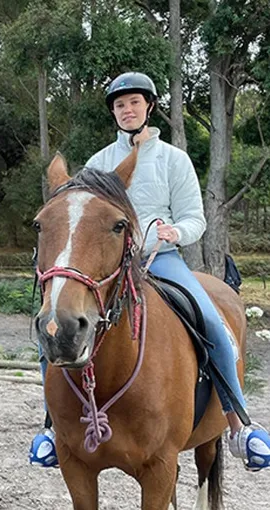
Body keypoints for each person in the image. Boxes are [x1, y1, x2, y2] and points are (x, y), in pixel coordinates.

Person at [29, 72, 270, 471]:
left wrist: (175, 230)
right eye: (120, 105)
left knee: (212, 322)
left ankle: (238, 424)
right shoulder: (100, 162)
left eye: (134, 103)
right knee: (51, 326)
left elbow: (196, 218)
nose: (127, 110)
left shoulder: (174, 160)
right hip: (107, 266)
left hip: (162, 260)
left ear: (149, 107)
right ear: (114, 112)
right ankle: (52, 427)